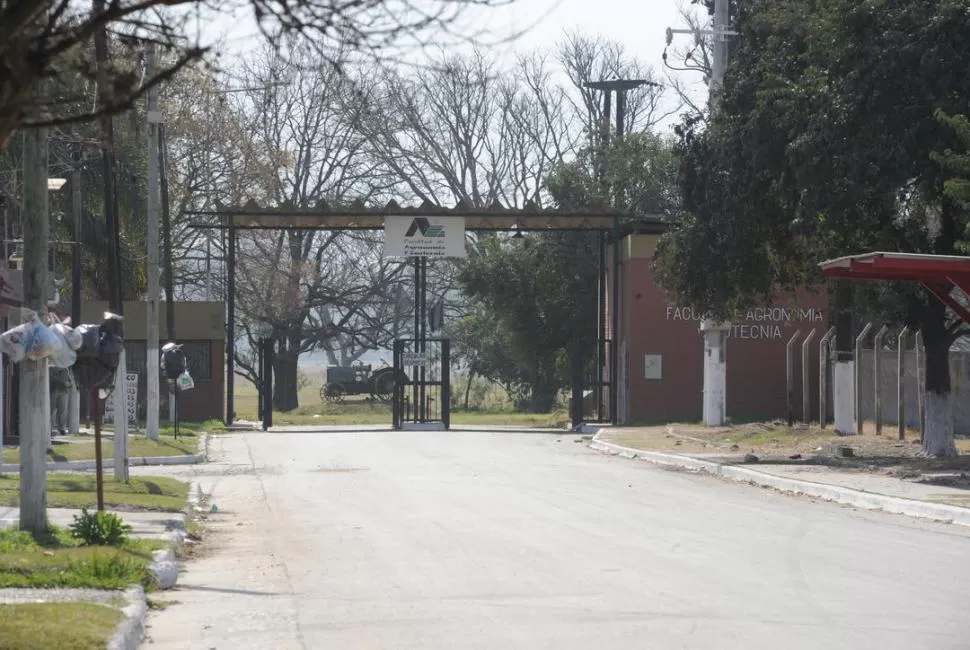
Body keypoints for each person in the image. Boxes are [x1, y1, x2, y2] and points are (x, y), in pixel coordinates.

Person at [49, 366, 73, 438]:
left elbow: (69, 377)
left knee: (63, 410)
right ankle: (49, 428)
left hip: (64, 390)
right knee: (51, 409)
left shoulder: (65, 367)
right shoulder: (51, 366)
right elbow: (51, 377)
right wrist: (63, 382)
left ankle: (62, 428)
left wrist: (70, 383)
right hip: (54, 390)